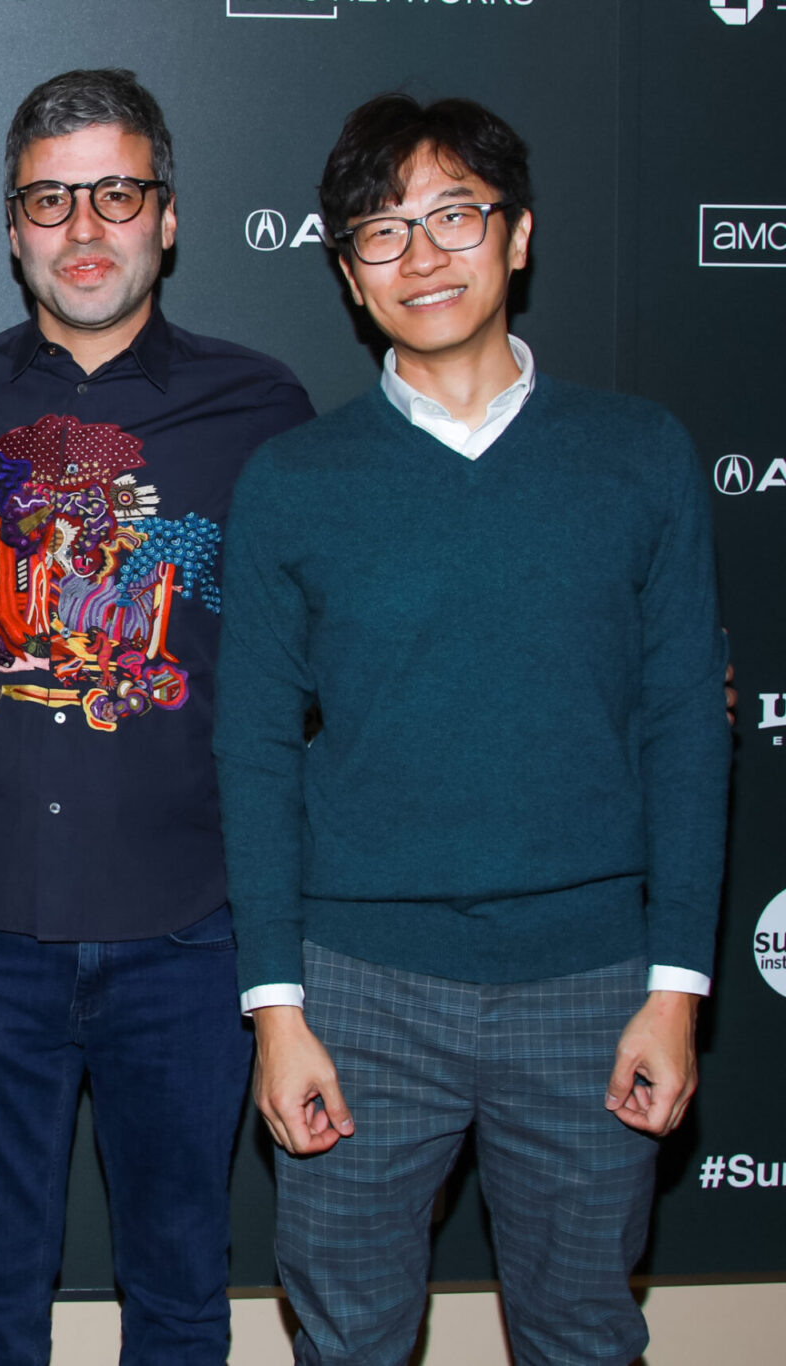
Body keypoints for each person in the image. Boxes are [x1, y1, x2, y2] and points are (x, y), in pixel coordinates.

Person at [214, 94, 729, 1365]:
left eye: (454, 216)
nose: (422, 255)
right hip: (356, 993)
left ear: (518, 237)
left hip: (592, 985)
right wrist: (276, 1011)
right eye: (380, 232)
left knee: (578, 1335)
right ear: (343, 272)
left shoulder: (636, 455)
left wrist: (676, 990)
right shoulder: (294, 480)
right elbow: (255, 749)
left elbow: (683, 729)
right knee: (345, 1336)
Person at [0, 69, 315, 1363]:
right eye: (50, 200)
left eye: (114, 194)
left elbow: (364, 604)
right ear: (11, 227)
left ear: (165, 216)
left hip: (186, 936)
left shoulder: (262, 407)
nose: (83, 228)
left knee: (179, 1294)